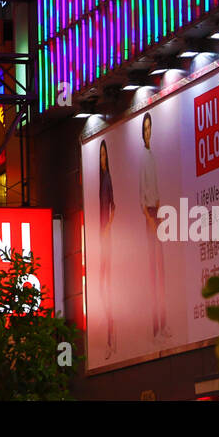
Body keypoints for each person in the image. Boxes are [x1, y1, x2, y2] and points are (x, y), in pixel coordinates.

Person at [138, 112, 169, 343]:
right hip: (150, 216)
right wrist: (151, 220)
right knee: (152, 272)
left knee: (161, 271)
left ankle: (163, 324)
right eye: (145, 129)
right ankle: (154, 328)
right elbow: (142, 196)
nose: (148, 132)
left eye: (150, 128)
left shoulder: (154, 156)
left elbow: (157, 189)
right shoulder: (142, 157)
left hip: (157, 213)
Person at [98, 140, 116, 359]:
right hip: (102, 237)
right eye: (101, 156)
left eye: (104, 156)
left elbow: (113, 206)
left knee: (108, 284)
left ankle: (111, 338)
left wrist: (107, 229)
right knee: (103, 284)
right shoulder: (101, 178)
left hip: (107, 237)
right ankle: (110, 334)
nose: (103, 159)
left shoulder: (108, 178)